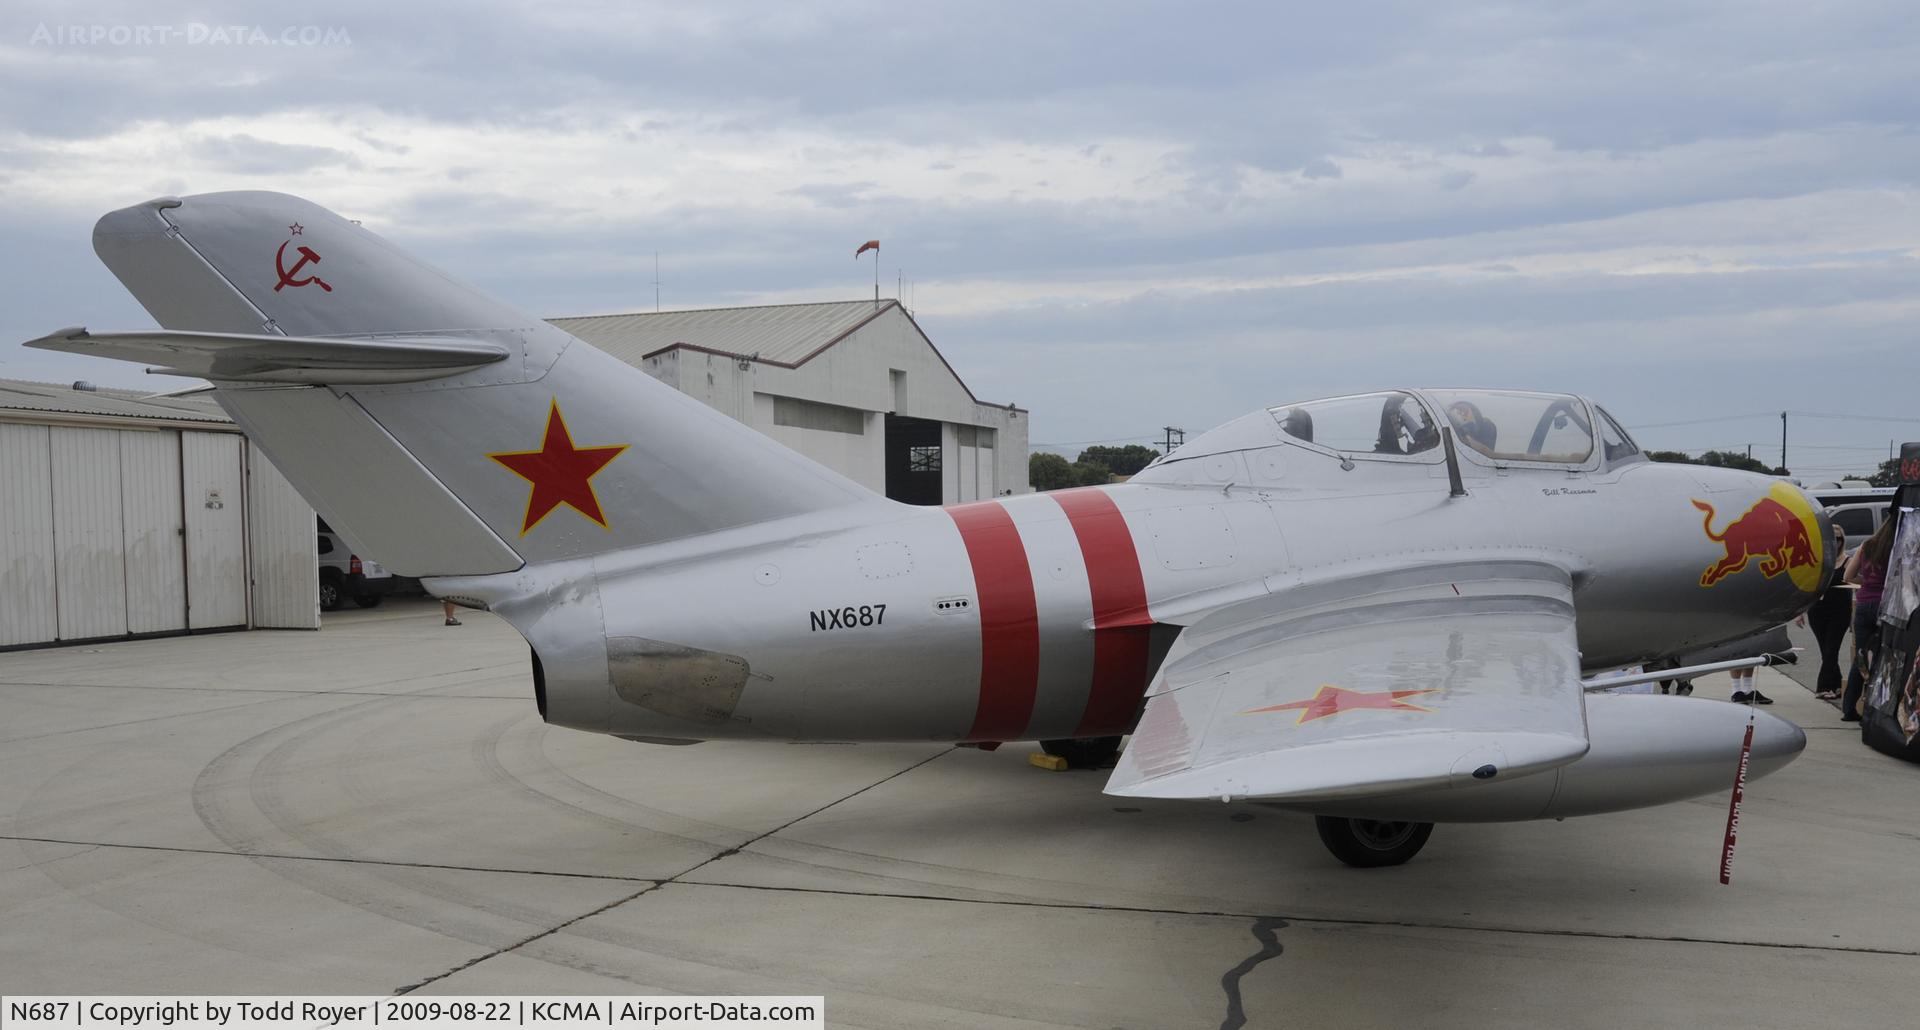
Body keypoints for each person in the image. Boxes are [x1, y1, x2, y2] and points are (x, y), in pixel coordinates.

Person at [1840, 516, 1897, 722]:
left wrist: (1867, 582)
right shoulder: (1896, 547)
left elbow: (1847, 576)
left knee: (1862, 657)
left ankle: (1849, 708)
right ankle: (1877, 709)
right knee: (1886, 657)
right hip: (1886, 606)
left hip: (1863, 605)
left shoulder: (1867, 545)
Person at [1799, 523, 1852, 701]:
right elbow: (1808, 586)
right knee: (1825, 650)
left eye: (1839, 539)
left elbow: (1855, 585)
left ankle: (1823, 687)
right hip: (1818, 610)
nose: (1835, 543)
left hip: (1840, 611)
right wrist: (1800, 611)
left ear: (1842, 541)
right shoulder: (1818, 560)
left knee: (1832, 649)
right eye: (1832, 538)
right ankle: (1837, 685)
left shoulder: (1847, 560)